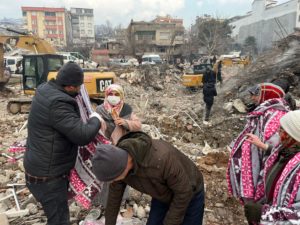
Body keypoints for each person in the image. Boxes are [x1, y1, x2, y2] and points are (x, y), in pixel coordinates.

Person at [24, 62, 102, 225]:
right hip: (48, 178)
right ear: (70, 87)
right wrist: (95, 118)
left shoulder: (45, 89)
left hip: (39, 169)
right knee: (59, 220)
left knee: (57, 217)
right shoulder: (59, 103)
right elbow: (82, 135)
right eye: (79, 87)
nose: (81, 90)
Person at [92, 131, 205, 225]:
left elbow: (184, 193)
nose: (112, 181)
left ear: (121, 169)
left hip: (190, 193)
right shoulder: (118, 162)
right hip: (162, 194)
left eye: (111, 179)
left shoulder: (162, 159)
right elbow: (114, 196)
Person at [227, 83, 290, 205]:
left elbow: (278, 148)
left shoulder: (276, 115)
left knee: (258, 207)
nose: (252, 98)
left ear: (267, 95)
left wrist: (261, 145)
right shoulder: (262, 111)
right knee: (251, 206)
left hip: (262, 168)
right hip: (253, 166)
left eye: (255, 95)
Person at [243, 110, 300, 224]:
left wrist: (264, 214)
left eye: (283, 130)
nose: (278, 133)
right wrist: (262, 145)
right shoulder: (285, 151)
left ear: (293, 137)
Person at [95, 84, 141, 207]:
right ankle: (103, 203)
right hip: (105, 148)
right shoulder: (100, 110)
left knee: (120, 174)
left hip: (121, 148)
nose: (113, 97)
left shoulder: (126, 109)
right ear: (106, 95)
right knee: (106, 175)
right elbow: (94, 125)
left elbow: (137, 125)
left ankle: (120, 201)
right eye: (111, 94)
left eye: (116, 94)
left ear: (121, 96)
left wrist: (125, 122)